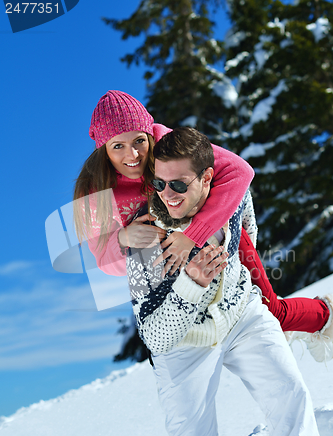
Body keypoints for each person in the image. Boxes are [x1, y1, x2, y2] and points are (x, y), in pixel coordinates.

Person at [126, 127, 321, 436]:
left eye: (179, 185)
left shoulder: (230, 198)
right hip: (183, 346)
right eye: (159, 184)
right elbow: (154, 336)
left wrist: (232, 279)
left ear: (207, 179)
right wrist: (193, 283)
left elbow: (246, 219)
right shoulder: (144, 240)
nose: (167, 195)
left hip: (240, 314)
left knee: (289, 394)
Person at [73, 90, 332, 361]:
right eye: (118, 146)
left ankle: (326, 316)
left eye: (139, 140)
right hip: (175, 272)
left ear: (149, 133)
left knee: (270, 310)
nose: (134, 154)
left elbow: (240, 170)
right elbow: (103, 259)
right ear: (103, 148)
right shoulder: (97, 191)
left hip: (222, 235)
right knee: (184, 342)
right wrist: (122, 239)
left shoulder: (167, 145)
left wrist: (194, 235)